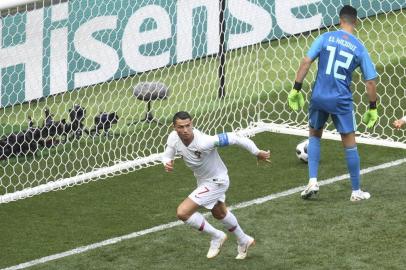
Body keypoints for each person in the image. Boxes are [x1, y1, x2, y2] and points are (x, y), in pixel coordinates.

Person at [287, 5, 378, 201]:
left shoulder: (325, 37)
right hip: (341, 100)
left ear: (339, 20)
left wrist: (296, 88)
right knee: (350, 144)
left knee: (314, 136)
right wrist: (372, 107)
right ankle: (356, 191)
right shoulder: (359, 48)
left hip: (319, 97)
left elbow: (305, 61)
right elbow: (370, 81)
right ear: (356, 22)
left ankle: (312, 181)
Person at [162, 111, 270, 259]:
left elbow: (235, 138)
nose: (185, 130)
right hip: (203, 181)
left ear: (192, 124)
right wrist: (167, 162)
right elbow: (168, 154)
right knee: (219, 213)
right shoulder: (173, 138)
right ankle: (244, 240)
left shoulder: (204, 142)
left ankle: (217, 236)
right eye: (181, 127)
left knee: (183, 212)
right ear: (174, 127)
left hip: (217, 181)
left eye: (188, 125)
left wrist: (256, 152)